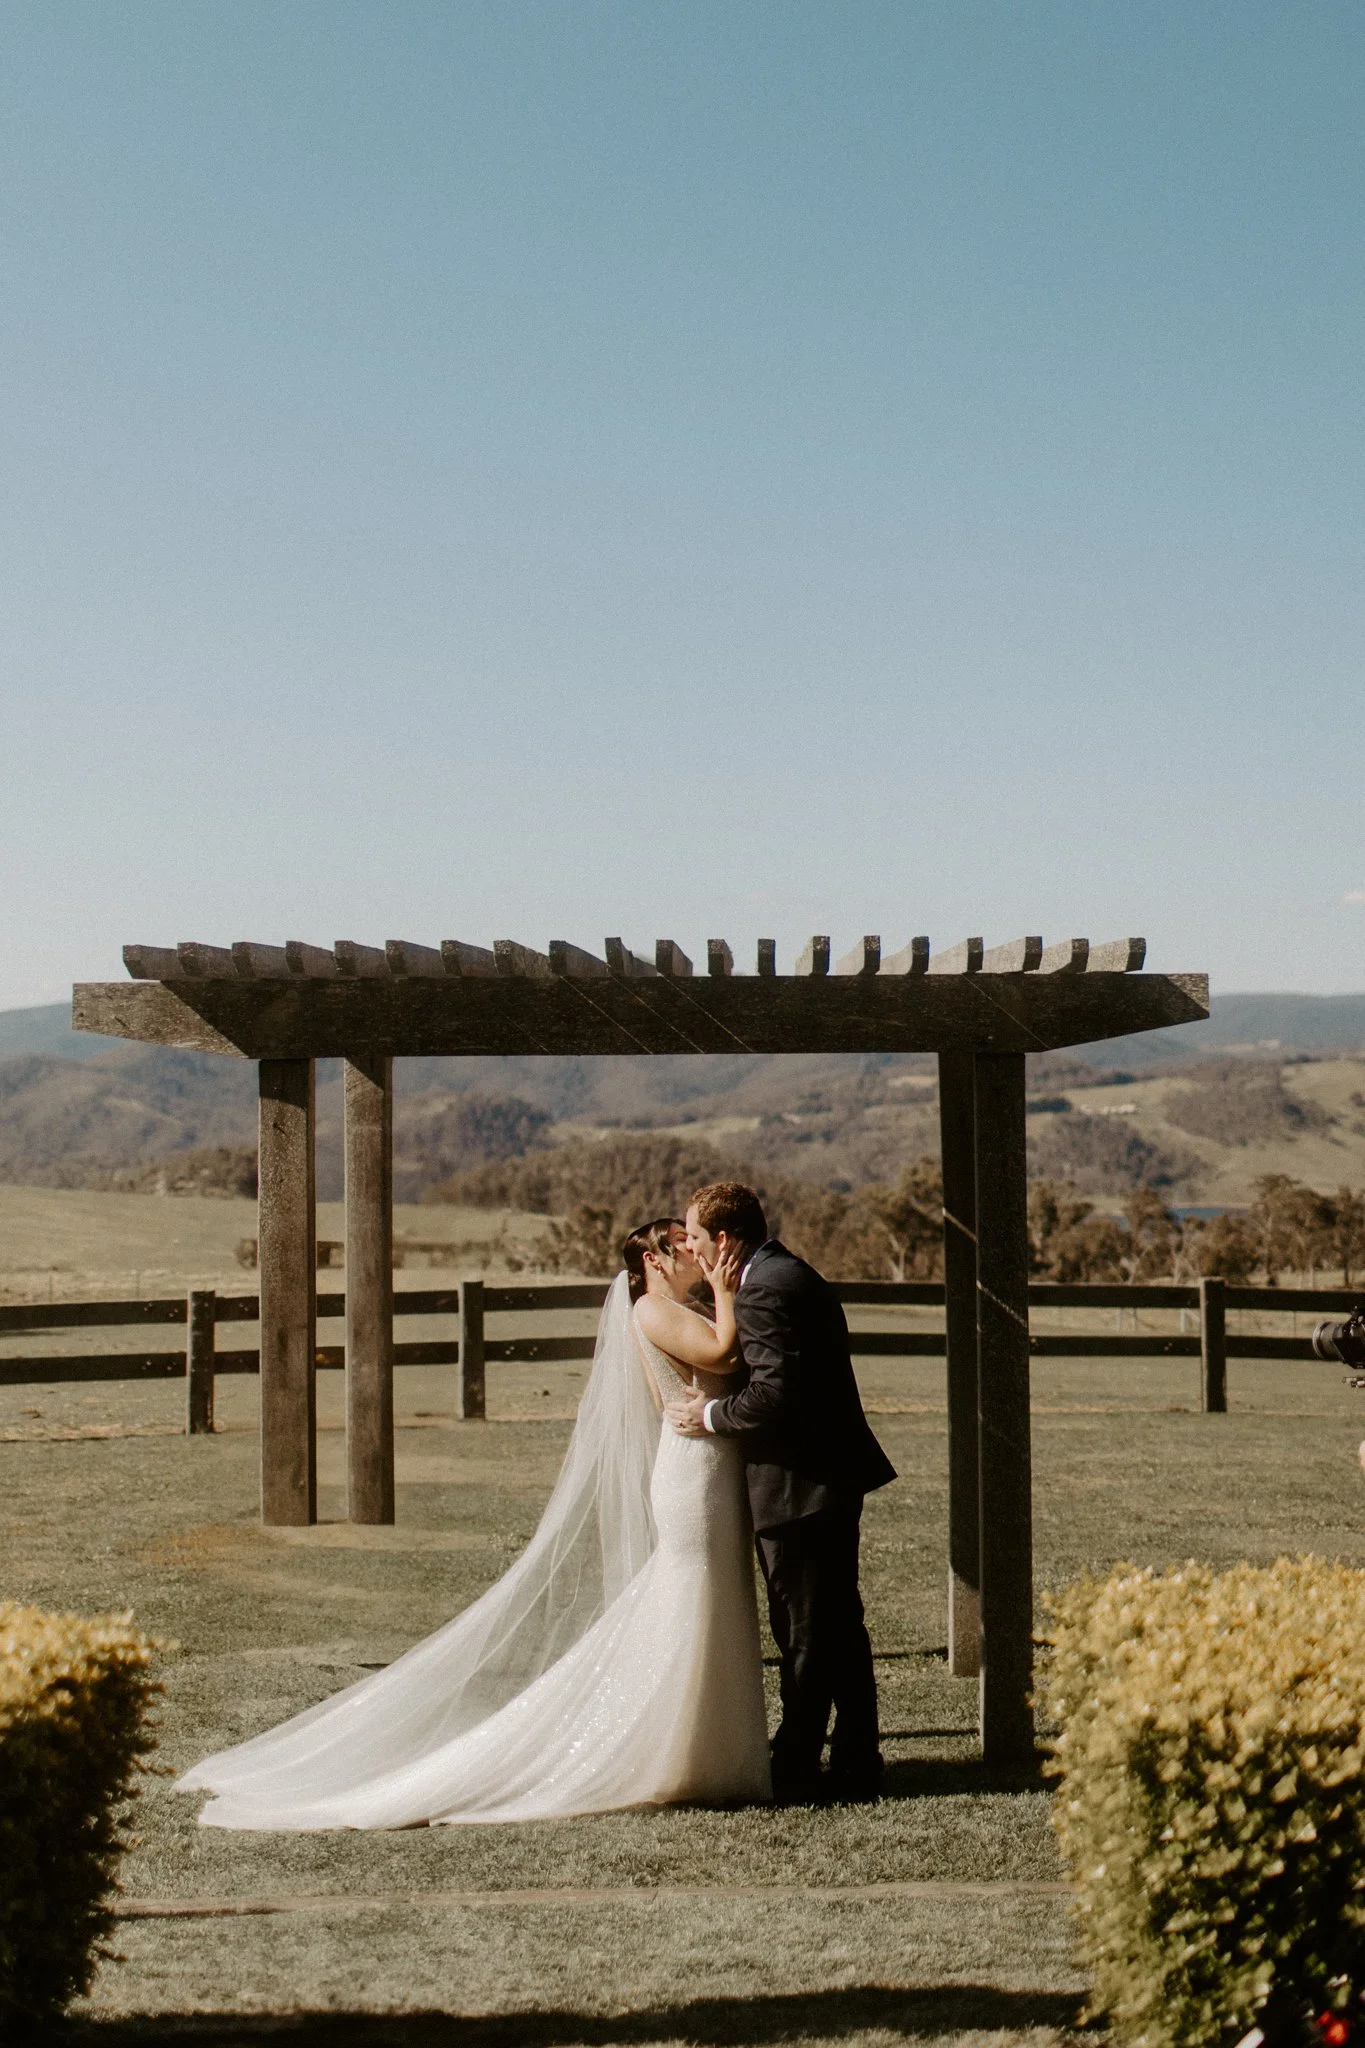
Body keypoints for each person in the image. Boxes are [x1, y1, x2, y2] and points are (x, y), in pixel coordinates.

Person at [178, 1218, 771, 1827]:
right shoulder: (653, 1309)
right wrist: (729, 1293)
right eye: (682, 1245)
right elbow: (723, 1351)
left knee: (708, 1598)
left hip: (706, 1463)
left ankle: (699, 1750)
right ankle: (666, 1746)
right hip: (694, 1474)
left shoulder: (680, 1309)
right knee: (690, 1592)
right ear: (653, 1259)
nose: (696, 1253)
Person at [666, 1182, 896, 1804]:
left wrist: (709, 1417)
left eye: (693, 1235)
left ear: (723, 1237)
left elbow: (776, 1394)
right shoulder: (788, 1273)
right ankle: (854, 1759)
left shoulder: (765, 1288)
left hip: (800, 1484)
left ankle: (797, 1762)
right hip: (826, 1477)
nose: (689, 1246)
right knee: (839, 1626)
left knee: (805, 1629)